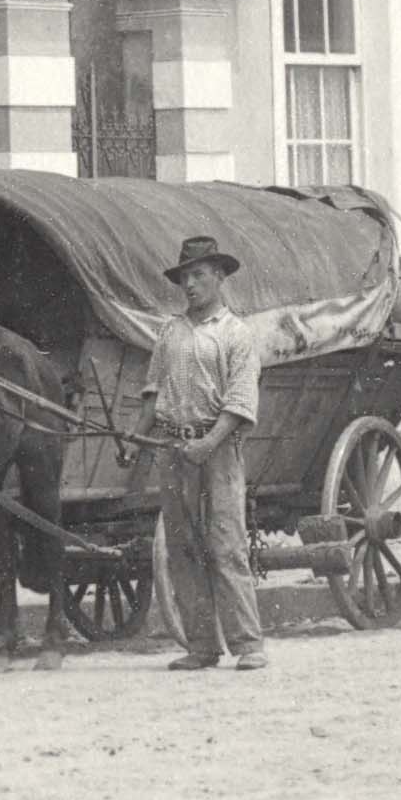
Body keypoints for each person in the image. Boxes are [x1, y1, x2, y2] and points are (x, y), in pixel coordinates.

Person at [136, 235, 270, 671]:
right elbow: (152, 391)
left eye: (198, 276)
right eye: (184, 278)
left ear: (219, 277)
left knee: (225, 544)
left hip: (218, 452)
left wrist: (208, 444)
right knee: (183, 547)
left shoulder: (235, 335)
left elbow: (240, 400)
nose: (190, 285)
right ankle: (202, 646)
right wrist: (135, 439)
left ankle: (248, 645)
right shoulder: (170, 332)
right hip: (173, 449)